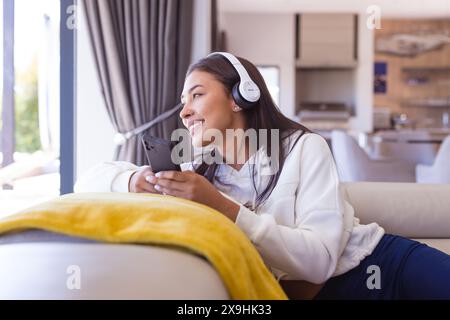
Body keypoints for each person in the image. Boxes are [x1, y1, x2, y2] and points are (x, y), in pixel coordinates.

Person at [75, 52, 450, 300]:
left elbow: (319, 261)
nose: (185, 112)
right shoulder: (200, 174)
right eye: (183, 102)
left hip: (381, 267)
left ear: (240, 96)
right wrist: (135, 180)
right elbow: (86, 182)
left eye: (197, 96)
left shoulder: (304, 149)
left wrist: (221, 206)